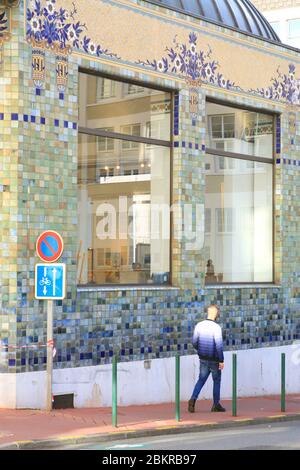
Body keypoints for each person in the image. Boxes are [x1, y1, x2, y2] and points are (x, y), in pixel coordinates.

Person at [188, 304, 226, 413]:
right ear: (216, 314)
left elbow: (194, 342)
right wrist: (221, 360)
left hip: (203, 358)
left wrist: (201, 350)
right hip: (214, 359)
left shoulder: (199, 325)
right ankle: (216, 405)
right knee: (217, 381)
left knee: (201, 380)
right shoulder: (216, 327)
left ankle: (193, 399)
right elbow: (219, 345)